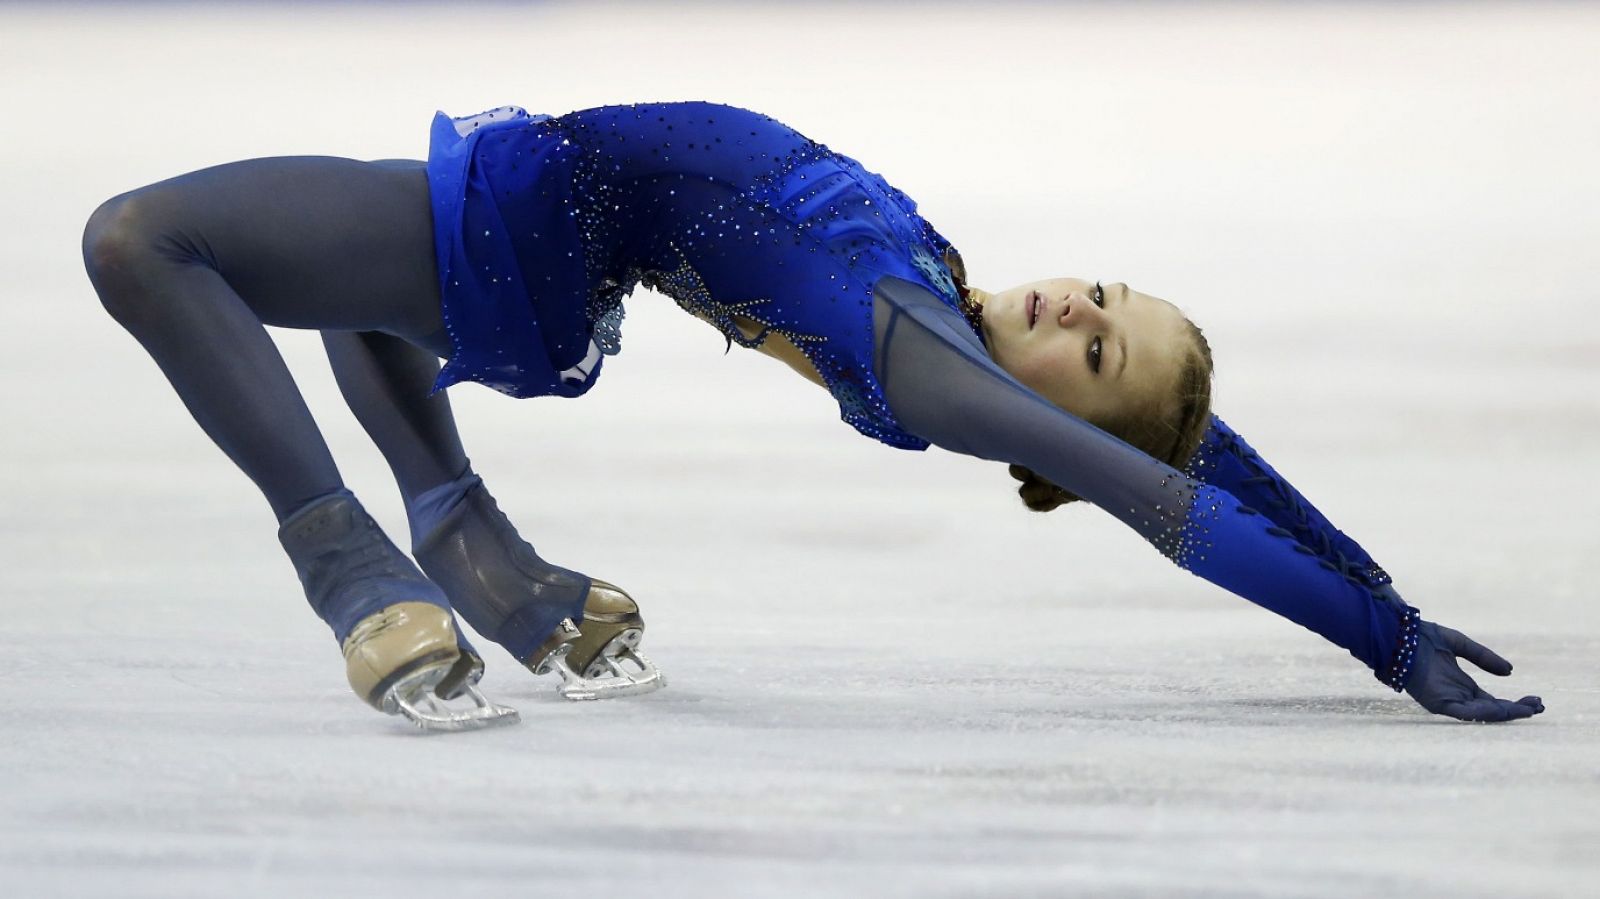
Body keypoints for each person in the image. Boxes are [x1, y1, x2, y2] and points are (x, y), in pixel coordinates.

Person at [81, 102, 1544, 732]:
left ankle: (350, 568)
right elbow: (1206, 449)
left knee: (144, 240)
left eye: (1098, 360)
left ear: (1062, 428)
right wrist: (1382, 583)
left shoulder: (940, 376)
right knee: (357, 290)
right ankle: (477, 555)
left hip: (536, 221)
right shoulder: (945, 295)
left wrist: (1387, 647)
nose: (1080, 314)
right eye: (1107, 294)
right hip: (561, 229)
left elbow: (1172, 497)